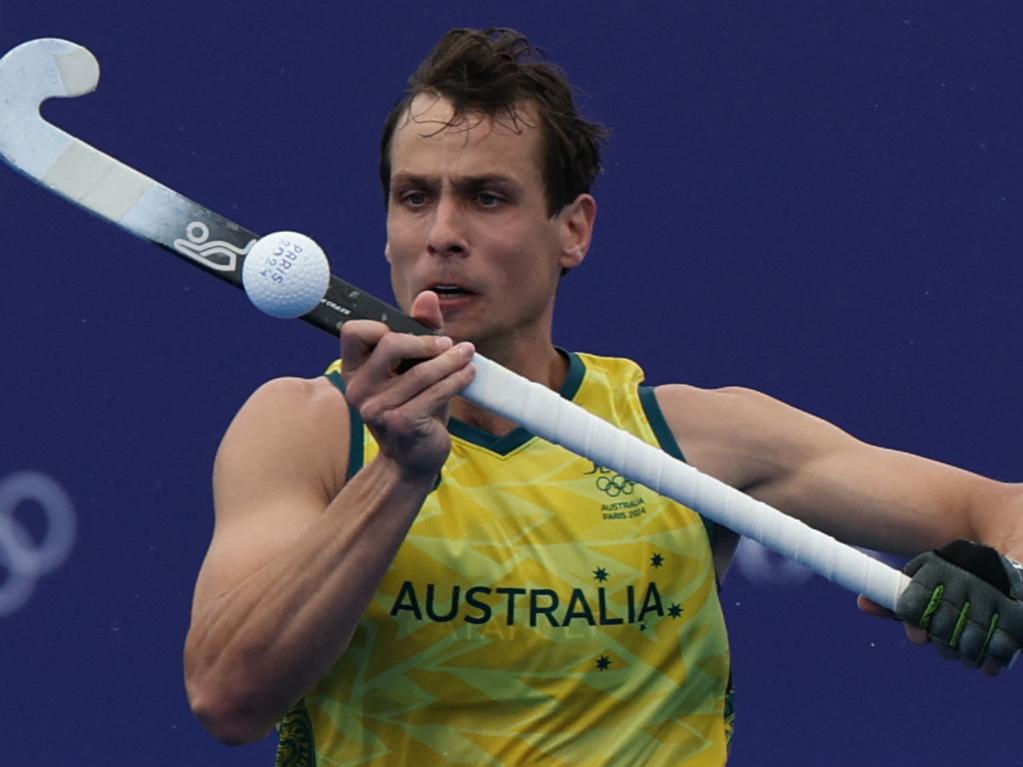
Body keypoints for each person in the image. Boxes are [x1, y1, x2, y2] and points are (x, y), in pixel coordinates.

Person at [183, 28, 1023, 766]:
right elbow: (228, 698)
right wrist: (398, 476)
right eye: (415, 196)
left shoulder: (689, 437)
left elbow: (1000, 506)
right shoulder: (308, 430)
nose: (441, 231)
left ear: (573, 229)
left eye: (486, 196)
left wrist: (1005, 576)